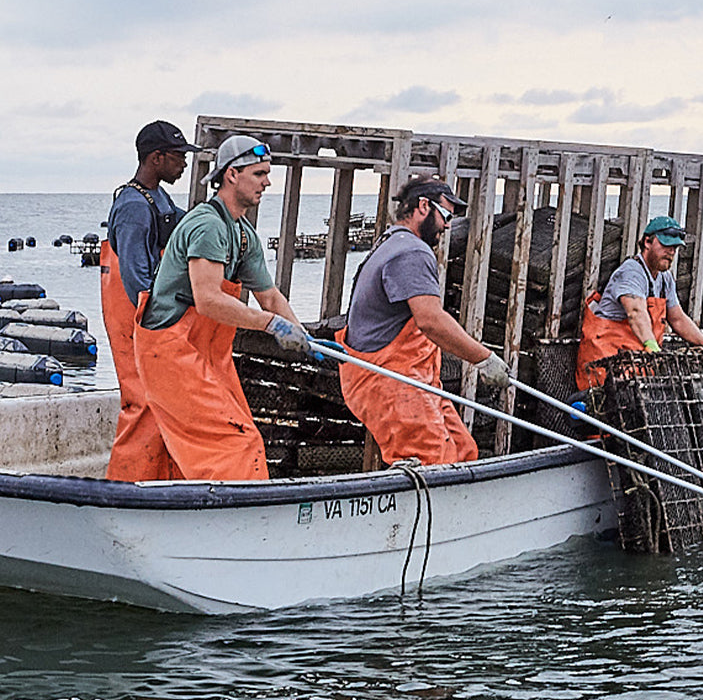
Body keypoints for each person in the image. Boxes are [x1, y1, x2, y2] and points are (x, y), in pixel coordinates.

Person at [133, 135, 311, 481]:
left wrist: (304, 337)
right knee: (234, 443)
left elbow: (270, 297)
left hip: (206, 353)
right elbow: (208, 299)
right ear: (232, 174)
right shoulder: (208, 226)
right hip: (170, 353)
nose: (267, 182)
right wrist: (272, 326)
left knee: (244, 435)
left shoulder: (243, 234)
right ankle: (234, 521)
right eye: (259, 173)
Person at [338, 177, 510, 466]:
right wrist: (484, 359)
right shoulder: (412, 252)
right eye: (445, 215)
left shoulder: (390, 243)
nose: (447, 226)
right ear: (422, 207)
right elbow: (430, 320)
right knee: (430, 462)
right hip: (392, 381)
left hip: (415, 379)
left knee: (462, 451)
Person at [101, 120, 197, 481]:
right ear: (156, 158)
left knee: (161, 401)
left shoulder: (159, 197)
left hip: (151, 313)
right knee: (141, 401)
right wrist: (156, 323)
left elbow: (182, 230)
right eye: (178, 157)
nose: (184, 165)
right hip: (136, 317)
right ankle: (126, 485)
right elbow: (136, 278)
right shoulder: (132, 206)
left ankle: (161, 480)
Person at [576, 214, 703, 391]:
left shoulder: (665, 278)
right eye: (665, 245)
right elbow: (636, 313)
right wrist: (651, 345)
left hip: (634, 365)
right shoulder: (631, 272)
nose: (671, 252)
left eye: (674, 247)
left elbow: (678, 318)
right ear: (647, 242)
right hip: (605, 366)